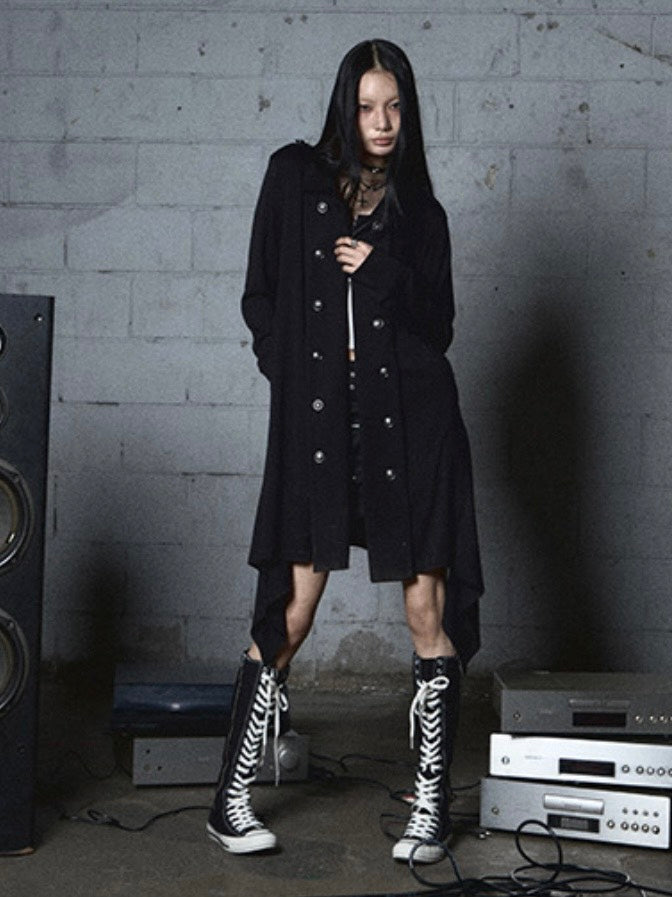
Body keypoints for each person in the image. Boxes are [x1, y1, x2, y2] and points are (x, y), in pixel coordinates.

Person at [207, 39, 483, 864]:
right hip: (324, 422)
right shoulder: (294, 178)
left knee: (426, 611)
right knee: (291, 609)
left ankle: (430, 804)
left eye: (394, 106)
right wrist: (289, 377)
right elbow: (260, 295)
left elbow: (439, 328)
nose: (381, 122)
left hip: (413, 420)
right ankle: (229, 800)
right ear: (344, 106)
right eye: (366, 106)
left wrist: (385, 270)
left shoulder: (421, 215)